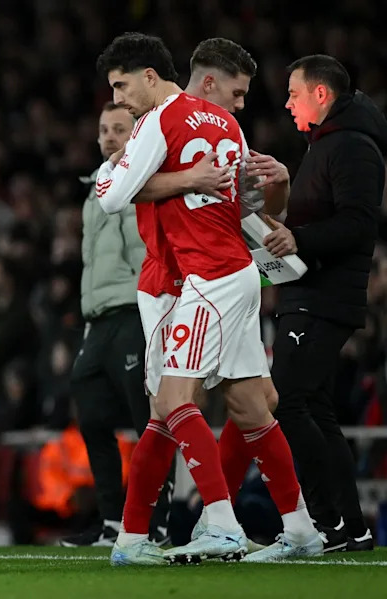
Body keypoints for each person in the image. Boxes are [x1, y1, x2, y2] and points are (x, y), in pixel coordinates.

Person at [95, 32, 321, 565]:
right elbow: (242, 206)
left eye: (122, 87)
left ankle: (218, 523)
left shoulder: (161, 119)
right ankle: (300, 526)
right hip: (230, 273)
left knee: (172, 402)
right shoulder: (229, 126)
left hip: (197, 278)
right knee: (246, 404)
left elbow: (113, 196)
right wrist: (191, 178)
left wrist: (114, 168)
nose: (120, 100)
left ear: (150, 77)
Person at [264, 54, 387, 551]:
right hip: (310, 294)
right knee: (314, 407)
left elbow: (360, 224)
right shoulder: (329, 145)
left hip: (322, 297)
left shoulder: (352, 147)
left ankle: (324, 521)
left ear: (321, 94)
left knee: (285, 399)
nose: (288, 102)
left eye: (294, 92)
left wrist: (297, 240)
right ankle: (350, 527)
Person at [61, 101, 173, 548]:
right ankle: (111, 522)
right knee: (91, 418)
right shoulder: (96, 187)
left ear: (135, 136)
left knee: (148, 418)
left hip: (134, 311)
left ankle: (156, 522)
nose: (109, 136)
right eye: (104, 129)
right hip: (98, 319)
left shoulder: (142, 181)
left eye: (119, 129)